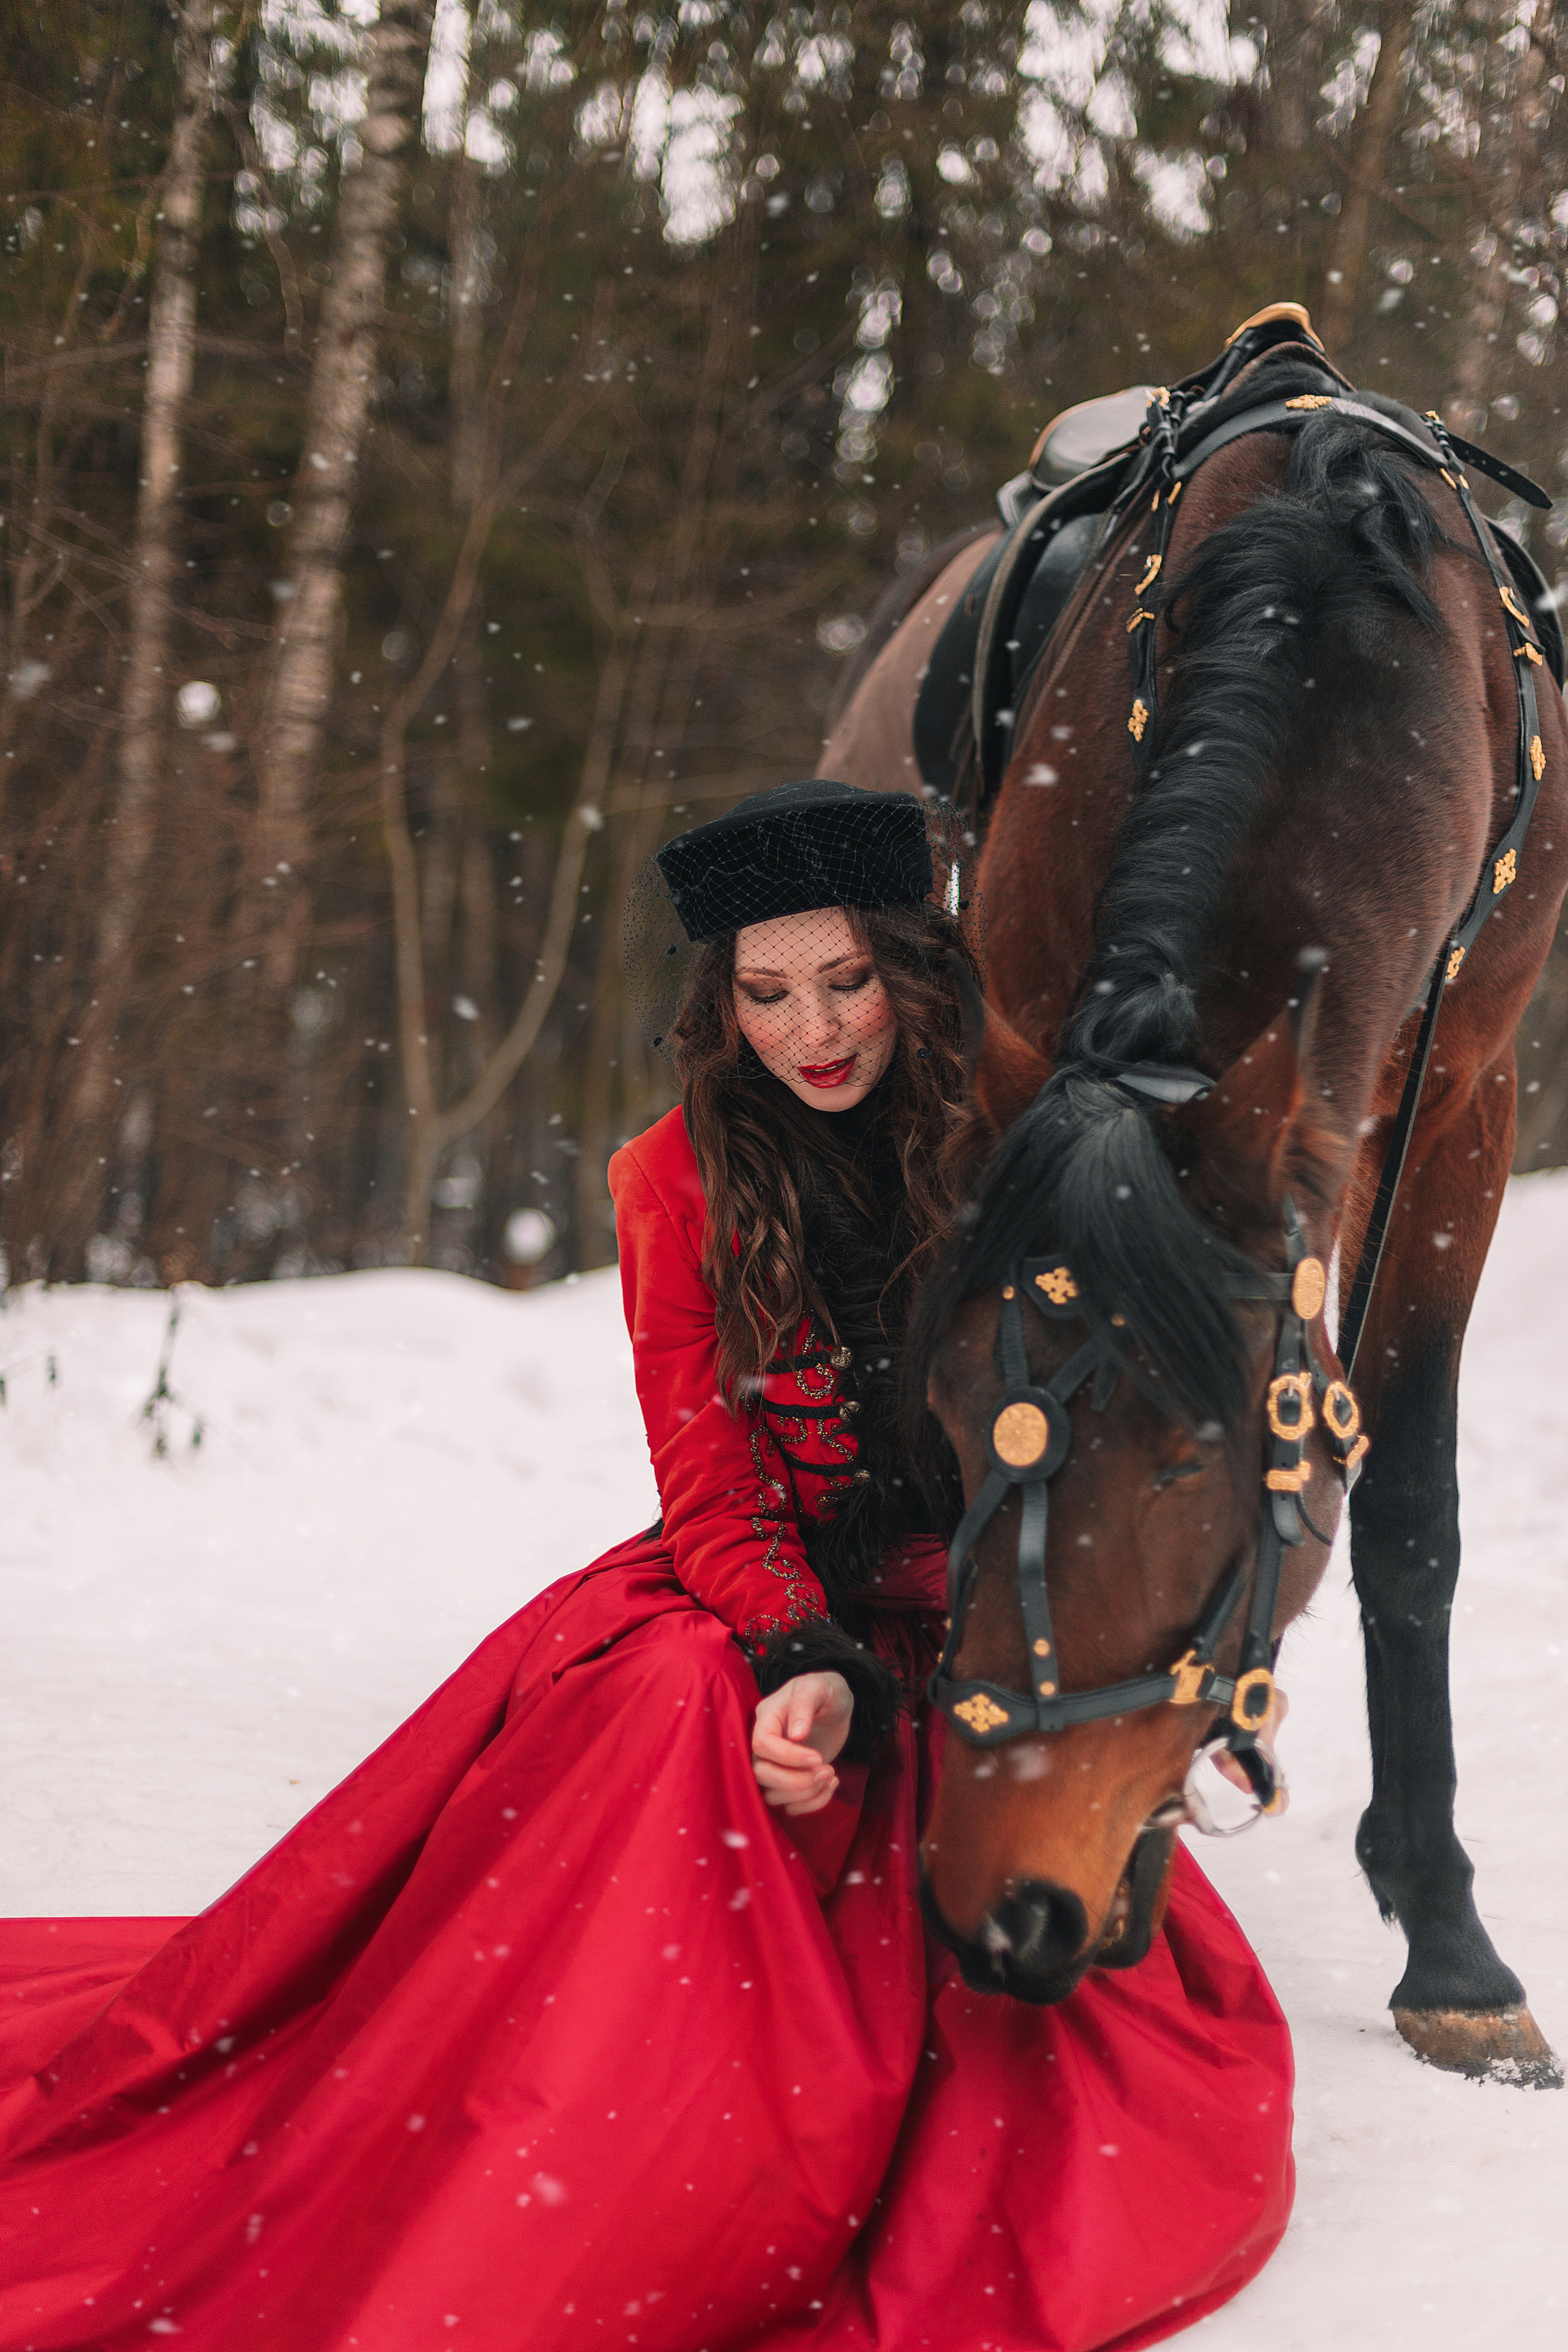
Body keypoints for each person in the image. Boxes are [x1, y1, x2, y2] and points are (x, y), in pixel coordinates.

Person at [0, 781, 1292, 2352]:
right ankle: (598, 2152)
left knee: (1045, 1984)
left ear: (914, 970)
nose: (811, 1029)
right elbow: (709, 1476)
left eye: (845, 980)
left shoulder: (1018, 1148)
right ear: (718, 1002)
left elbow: (1121, 1439)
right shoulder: (668, 1182)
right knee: (669, 1706)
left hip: (981, 1601)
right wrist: (797, 1651)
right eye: (764, 993)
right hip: (759, 1589)